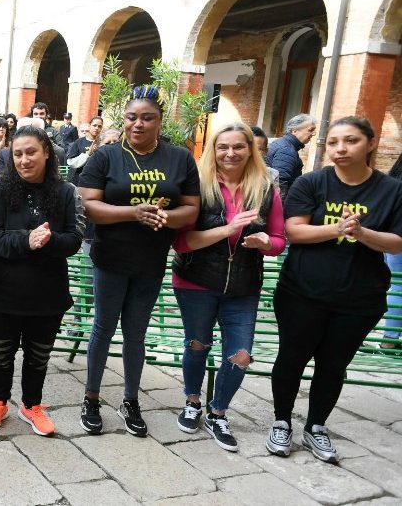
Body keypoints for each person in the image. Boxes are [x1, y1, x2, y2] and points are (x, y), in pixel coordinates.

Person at [266, 116, 402, 463]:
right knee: (291, 358)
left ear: (371, 143)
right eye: (334, 142)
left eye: (351, 140)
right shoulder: (312, 182)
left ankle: (316, 426)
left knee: (333, 365)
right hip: (301, 292)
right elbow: (294, 231)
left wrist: (362, 233)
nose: (341, 148)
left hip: (359, 298)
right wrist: (338, 229)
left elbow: (396, 242)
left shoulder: (391, 191)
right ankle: (281, 421)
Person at [77, 85, 200, 438]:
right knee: (103, 328)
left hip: (151, 260)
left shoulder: (179, 158)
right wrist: (133, 213)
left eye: (148, 118)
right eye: (132, 117)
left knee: (136, 333)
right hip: (110, 257)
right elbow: (87, 205)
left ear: (160, 120)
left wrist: (165, 218)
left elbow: (191, 208)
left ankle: (130, 400)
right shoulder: (107, 156)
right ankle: (91, 397)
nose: (138, 124)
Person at [171, 122, 286, 452]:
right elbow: (182, 242)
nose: (230, 153)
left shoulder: (265, 188)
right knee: (197, 345)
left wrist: (266, 243)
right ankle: (192, 402)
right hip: (196, 281)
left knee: (241, 355)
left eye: (238, 146)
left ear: (250, 150)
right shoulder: (198, 185)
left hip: (244, 286)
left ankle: (218, 412)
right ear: (213, 150)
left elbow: (279, 239)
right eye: (223, 147)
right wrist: (227, 229)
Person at [0, 126, 84, 435]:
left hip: (48, 293)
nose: (24, 160)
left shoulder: (66, 192)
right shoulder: (0, 189)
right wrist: (27, 240)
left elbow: (74, 239)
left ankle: (31, 405)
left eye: (31, 152)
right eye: (18, 154)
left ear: (46, 152)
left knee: (38, 356)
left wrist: (49, 240)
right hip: (3, 290)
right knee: (1, 353)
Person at [265, 113, 316, 201]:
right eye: (310, 130)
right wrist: (280, 207)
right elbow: (280, 182)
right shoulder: (286, 149)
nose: (313, 134)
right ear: (295, 131)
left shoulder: (284, 144)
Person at [383, 153, 402, 351]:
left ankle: (389, 338)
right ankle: (390, 339)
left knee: (394, 285)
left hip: (388, 238)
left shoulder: (392, 182)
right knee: (399, 287)